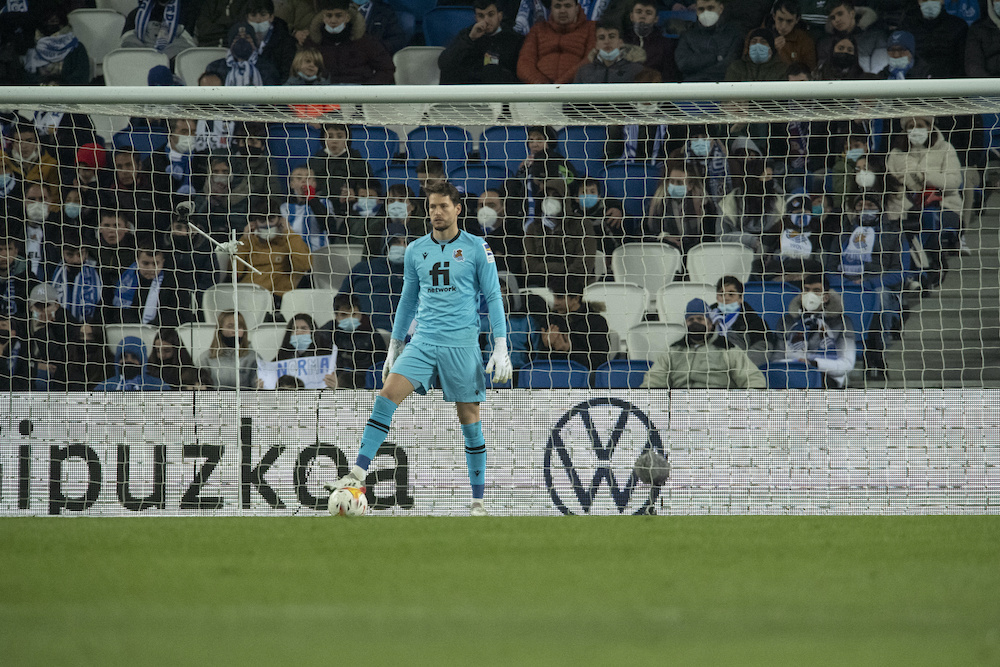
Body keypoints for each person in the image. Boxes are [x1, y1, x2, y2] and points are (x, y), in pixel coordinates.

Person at [323, 181, 512, 517]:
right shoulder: (415, 250)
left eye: (442, 206)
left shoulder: (477, 248)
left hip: (462, 345)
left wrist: (500, 345)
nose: (436, 213)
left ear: (457, 209)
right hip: (422, 343)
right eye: (431, 207)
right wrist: (395, 345)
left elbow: (494, 297)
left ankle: (479, 501)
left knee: (469, 420)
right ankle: (358, 473)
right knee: (386, 396)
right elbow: (408, 300)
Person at [827, 194, 905, 379]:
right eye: (860, 205)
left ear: (879, 208)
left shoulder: (893, 234)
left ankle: (876, 352)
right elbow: (829, 268)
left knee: (880, 297)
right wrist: (845, 283)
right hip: (843, 284)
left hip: (876, 285)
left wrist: (870, 282)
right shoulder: (844, 234)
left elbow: (900, 272)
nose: (864, 208)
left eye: (869, 205)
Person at [885, 115, 962, 289]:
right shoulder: (896, 154)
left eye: (920, 125)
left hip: (944, 207)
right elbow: (890, 185)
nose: (915, 130)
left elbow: (954, 181)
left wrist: (926, 176)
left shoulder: (945, 148)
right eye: (910, 126)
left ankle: (934, 265)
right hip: (906, 207)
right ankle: (912, 273)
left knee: (927, 219)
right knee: (897, 227)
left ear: (929, 126)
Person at [641, 298, 767, 388]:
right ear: (686, 324)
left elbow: (753, 379)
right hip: (680, 411)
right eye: (691, 319)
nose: (695, 323)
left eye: (700, 319)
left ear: (710, 324)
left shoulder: (727, 349)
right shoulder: (674, 351)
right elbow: (653, 381)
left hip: (717, 411)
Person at [772, 274, 856, 388]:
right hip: (791, 377)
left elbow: (847, 364)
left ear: (825, 297)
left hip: (827, 379)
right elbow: (776, 360)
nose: (810, 294)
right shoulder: (787, 321)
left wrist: (813, 364)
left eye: (816, 290)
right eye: (806, 290)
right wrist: (798, 365)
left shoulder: (843, 323)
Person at [522, 176, 597, 286]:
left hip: (576, 285)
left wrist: (549, 270)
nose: (550, 199)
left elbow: (584, 265)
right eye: (546, 196)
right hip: (542, 284)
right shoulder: (533, 227)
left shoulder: (582, 224)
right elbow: (528, 266)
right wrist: (563, 269)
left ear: (565, 199)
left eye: (556, 196)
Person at [234, 200, 313, 302]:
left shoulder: (289, 241)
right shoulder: (249, 242)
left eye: (271, 219)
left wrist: (289, 233)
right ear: (254, 223)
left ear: (280, 220)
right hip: (247, 296)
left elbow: (305, 265)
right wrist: (244, 241)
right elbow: (235, 273)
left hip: (277, 298)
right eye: (262, 221)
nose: (267, 224)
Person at [304, 0, 395, 85]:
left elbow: (386, 69)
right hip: (323, 95)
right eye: (329, 15)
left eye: (338, 15)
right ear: (323, 17)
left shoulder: (365, 41)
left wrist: (367, 89)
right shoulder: (312, 43)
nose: (333, 20)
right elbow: (299, 70)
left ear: (347, 17)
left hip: (360, 96)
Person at [338, 224, 407, 331]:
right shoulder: (362, 268)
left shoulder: (414, 274)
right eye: (397, 242)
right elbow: (341, 299)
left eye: (406, 242)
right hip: (359, 329)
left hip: (396, 332)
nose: (402, 246)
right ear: (386, 244)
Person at [439, 0, 524, 84]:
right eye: (481, 16)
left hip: (498, 91)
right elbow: (444, 63)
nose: (486, 20)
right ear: (475, 18)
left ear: (500, 16)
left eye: (491, 15)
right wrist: (470, 39)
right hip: (470, 90)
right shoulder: (468, 35)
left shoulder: (514, 39)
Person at [111, 239, 192, 327]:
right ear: (137, 261)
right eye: (145, 263)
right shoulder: (127, 280)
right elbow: (119, 313)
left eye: (155, 264)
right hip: (131, 330)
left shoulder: (175, 282)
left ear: (162, 262)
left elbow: (177, 313)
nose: (150, 268)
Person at [644, 160, 717, 254]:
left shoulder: (704, 204)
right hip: (664, 253)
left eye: (679, 183)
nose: (674, 185)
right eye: (671, 181)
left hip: (697, 254)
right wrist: (662, 237)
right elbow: (644, 232)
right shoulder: (658, 203)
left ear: (690, 185)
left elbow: (709, 237)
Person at [517, 0, 597, 84]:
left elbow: (590, 60)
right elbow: (524, 63)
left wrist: (560, 84)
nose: (562, 11)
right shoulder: (537, 29)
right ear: (551, 9)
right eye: (557, 6)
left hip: (576, 90)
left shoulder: (591, 28)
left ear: (577, 8)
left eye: (567, 6)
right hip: (540, 92)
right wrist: (542, 85)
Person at [322, 292, 387, 389]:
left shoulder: (373, 335)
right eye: (344, 315)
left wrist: (343, 383)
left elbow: (379, 368)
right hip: (330, 383)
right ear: (336, 316)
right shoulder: (325, 333)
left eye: (354, 314)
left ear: (360, 314)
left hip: (364, 386)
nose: (350, 318)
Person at [545, 276, 610, 370]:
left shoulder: (596, 322)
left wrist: (569, 350)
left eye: (560, 297)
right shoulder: (551, 319)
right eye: (554, 297)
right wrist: (546, 346)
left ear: (575, 298)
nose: (555, 302)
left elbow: (600, 362)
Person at [708, 275, 771, 367]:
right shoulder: (704, 318)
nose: (726, 298)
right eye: (721, 294)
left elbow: (763, 348)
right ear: (717, 298)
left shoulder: (754, 321)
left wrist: (740, 365)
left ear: (741, 298)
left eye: (731, 294)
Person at [674, 0, 744, 82]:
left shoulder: (734, 34)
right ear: (696, 11)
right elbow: (683, 64)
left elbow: (730, 65)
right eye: (701, 9)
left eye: (710, 8)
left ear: (721, 8)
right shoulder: (687, 36)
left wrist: (699, 70)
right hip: (693, 87)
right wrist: (714, 57)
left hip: (723, 87)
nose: (706, 13)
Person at [816, 0, 888, 74]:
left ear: (852, 14)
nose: (837, 20)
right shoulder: (825, 43)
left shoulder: (874, 36)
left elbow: (879, 71)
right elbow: (823, 72)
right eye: (832, 17)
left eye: (840, 14)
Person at [901, 0, 968, 79]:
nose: (929, 3)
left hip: (949, 83)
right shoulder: (907, 26)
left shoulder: (958, 26)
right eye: (925, 0)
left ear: (942, 1)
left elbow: (962, 63)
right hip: (915, 83)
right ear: (918, 1)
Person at [307, 123, 374, 198]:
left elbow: (371, 188)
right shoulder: (315, 161)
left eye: (339, 136)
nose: (334, 140)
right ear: (323, 138)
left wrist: (355, 194)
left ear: (347, 138)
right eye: (330, 136)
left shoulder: (357, 161)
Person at [49, 230, 102, 324]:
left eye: (80, 254)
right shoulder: (51, 275)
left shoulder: (98, 276)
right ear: (62, 254)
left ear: (86, 254)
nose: (76, 259)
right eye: (70, 254)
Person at [275, 313, 338, 388]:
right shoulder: (280, 358)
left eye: (304, 328)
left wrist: (336, 386)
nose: (298, 332)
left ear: (312, 332)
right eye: (294, 329)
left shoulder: (327, 356)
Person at [621, 0, 679, 82]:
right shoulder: (622, 41)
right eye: (638, 12)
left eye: (648, 13)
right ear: (631, 16)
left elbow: (669, 75)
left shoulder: (665, 44)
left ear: (656, 19)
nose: (643, 16)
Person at [572, 19, 647, 83]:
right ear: (596, 44)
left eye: (612, 37)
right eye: (601, 38)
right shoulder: (584, 72)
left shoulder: (636, 70)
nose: (607, 41)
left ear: (620, 42)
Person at [201, 310, 260, 390]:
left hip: (246, 401)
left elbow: (257, 388)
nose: (235, 331)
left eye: (239, 327)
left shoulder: (253, 357)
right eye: (230, 326)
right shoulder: (206, 358)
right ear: (220, 330)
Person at [94, 336, 172, 391]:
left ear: (143, 361)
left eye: (134, 357)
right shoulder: (103, 387)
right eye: (123, 357)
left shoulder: (159, 387)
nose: (128, 361)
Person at [124, 0, 196, 58]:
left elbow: (187, 48)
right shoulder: (136, 15)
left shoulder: (188, 13)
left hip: (173, 69)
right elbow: (127, 46)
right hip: (140, 66)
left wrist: (162, 60)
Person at [760, 0, 816, 69]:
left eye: (789, 21)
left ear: (797, 20)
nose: (784, 26)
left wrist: (781, 54)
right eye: (780, 19)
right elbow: (748, 67)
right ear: (774, 16)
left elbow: (809, 71)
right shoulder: (756, 36)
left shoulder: (805, 40)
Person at [965, 2, 1000, 78]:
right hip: (988, 86)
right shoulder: (978, 29)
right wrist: (991, 86)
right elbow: (973, 65)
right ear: (991, 3)